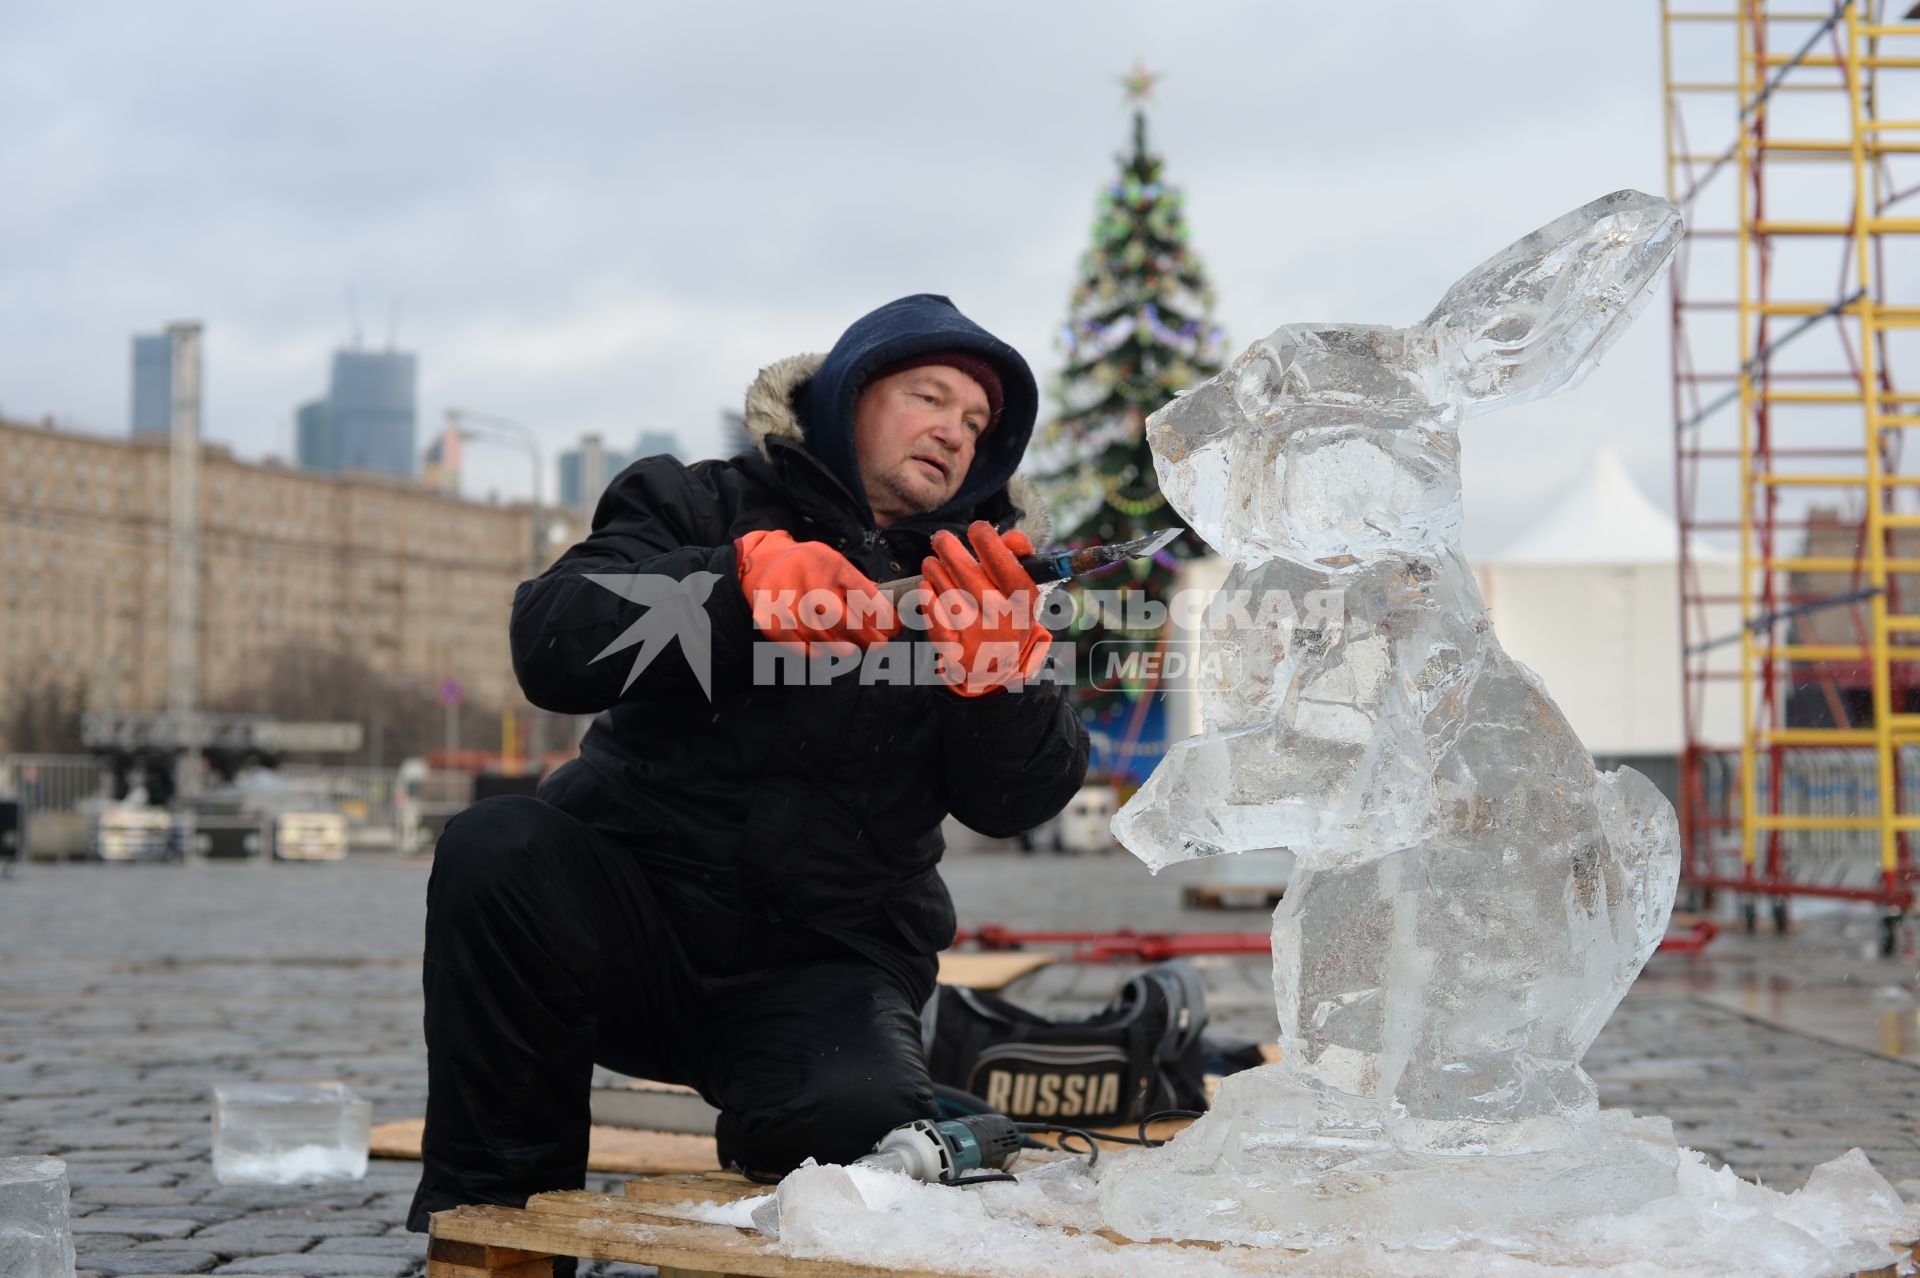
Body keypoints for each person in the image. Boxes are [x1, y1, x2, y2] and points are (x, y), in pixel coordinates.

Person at [407, 294, 1091, 1232]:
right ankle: (495, 1217)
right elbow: (552, 641)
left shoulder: (983, 580)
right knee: (498, 848)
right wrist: (733, 589)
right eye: (928, 398)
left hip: (828, 958)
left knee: (854, 1122)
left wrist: (1003, 680)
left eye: (976, 424)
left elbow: (1017, 801)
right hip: (629, 918)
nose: (954, 432)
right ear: (847, 396)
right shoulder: (695, 500)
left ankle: (819, 1119)